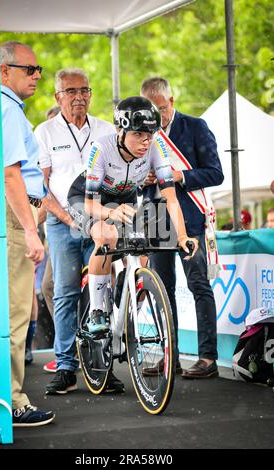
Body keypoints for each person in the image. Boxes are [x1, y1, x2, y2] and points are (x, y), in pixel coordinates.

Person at [67, 96, 198, 348]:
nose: (145, 141)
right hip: (88, 199)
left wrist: (182, 236)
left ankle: (125, 306)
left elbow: (170, 198)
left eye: (150, 134)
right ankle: (97, 312)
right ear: (121, 131)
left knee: (143, 251)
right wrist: (109, 214)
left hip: (124, 198)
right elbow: (92, 204)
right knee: (106, 236)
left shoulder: (155, 147)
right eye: (138, 134)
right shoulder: (101, 148)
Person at [34, 67, 118, 394]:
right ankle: (67, 366)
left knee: (100, 293)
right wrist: (70, 220)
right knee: (66, 291)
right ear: (58, 97)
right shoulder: (44, 132)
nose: (79, 97)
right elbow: (41, 186)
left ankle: (102, 366)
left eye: (84, 90)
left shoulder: (107, 130)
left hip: (100, 222)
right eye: (71, 92)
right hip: (62, 222)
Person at [140, 77, 224, 379]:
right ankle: (169, 356)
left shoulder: (195, 127)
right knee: (162, 290)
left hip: (190, 218)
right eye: (151, 111)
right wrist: (143, 180)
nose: (157, 117)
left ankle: (207, 357)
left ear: (171, 101)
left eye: (161, 109)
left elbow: (216, 173)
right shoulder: (141, 131)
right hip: (155, 218)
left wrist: (180, 175)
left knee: (199, 285)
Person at [0, 41, 55, 426]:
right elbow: (11, 174)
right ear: (4, 71)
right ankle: (13, 402)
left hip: (19, 214)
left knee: (17, 311)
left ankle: (10, 398)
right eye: (29, 69)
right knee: (16, 314)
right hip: (16, 218)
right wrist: (30, 231)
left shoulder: (7, 109)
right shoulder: (6, 109)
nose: (37, 75)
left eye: (38, 70)